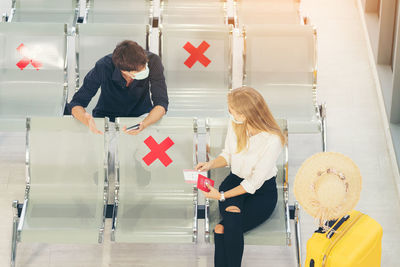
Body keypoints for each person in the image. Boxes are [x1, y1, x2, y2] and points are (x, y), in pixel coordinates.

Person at [196, 86, 286, 267]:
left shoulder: (272, 139)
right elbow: (228, 155)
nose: (230, 113)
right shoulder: (235, 124)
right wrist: (211, 164)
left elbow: (254, 183)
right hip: (234, 183)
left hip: (261, 191)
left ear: (246, 114)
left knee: (222, 228)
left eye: (233, 111)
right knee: (230, 225)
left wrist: (221, 196)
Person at [65, 40, 168, 135]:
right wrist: (86, 119)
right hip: (108, 119)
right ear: (123, 71)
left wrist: (144, 124)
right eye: (138, 72)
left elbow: (161, 104)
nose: (145, 70)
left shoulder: (153, 61)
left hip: (141, 117)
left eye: (145, 66)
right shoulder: (103, 66)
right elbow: (76, 103)